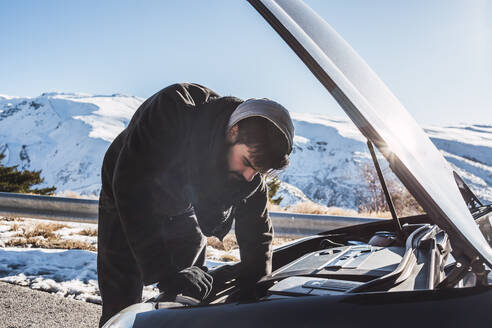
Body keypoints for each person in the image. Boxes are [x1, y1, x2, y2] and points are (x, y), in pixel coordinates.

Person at [97, 83, 294, 326]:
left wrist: (255, 284)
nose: (248, 176)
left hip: (181, 204)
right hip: (125, 194)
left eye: (258, 171)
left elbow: (257, 229)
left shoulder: (250, 172)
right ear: (233, 132)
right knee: (122, 299)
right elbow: (133, 191)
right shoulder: (172, 109)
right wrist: (165, 272)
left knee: (191, 292)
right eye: (246, 162)